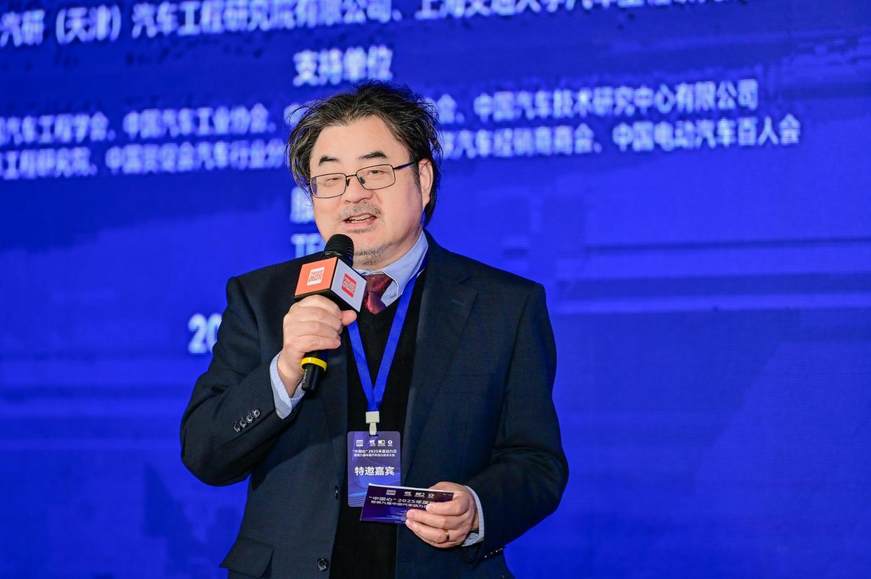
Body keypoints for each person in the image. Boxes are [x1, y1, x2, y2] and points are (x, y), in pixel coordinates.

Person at [181, 82, 568, 579]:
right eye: (330, 178)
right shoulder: (262, 298)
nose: (353, 194)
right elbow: (205, 453)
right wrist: (284, 371)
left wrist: (476, 507)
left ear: (423, 179)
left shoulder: (504, 305)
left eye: (375, 172)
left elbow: (537, 463)